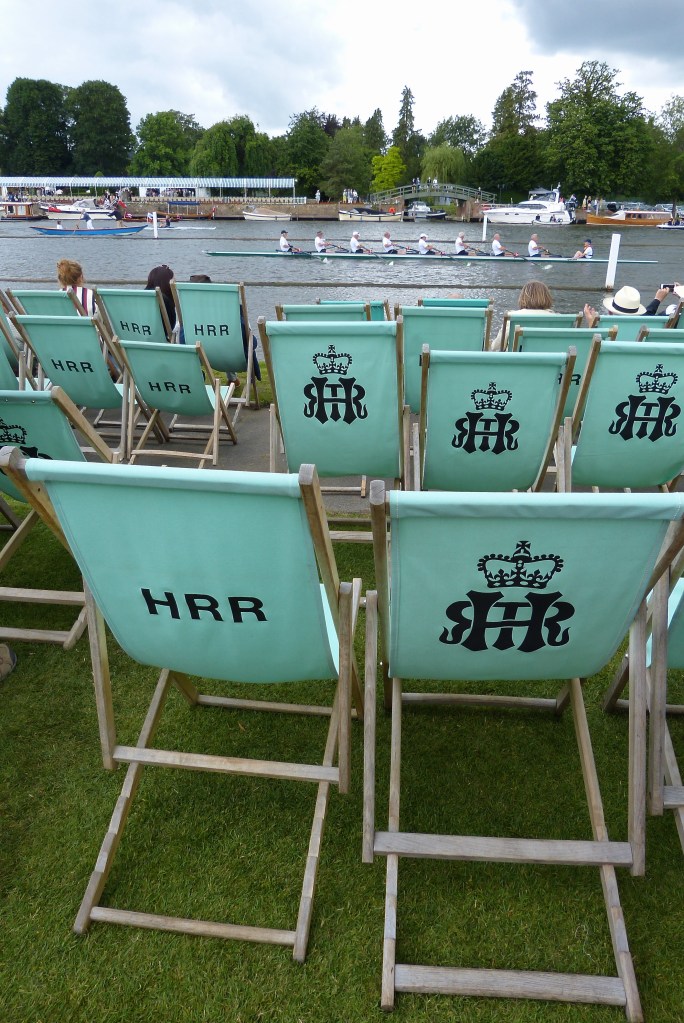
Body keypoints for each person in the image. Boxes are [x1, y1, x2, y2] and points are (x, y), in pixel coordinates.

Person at [491, 280, 555, 351]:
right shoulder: (557, 318)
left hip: (516, 357)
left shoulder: (513, 316)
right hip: (548, 357)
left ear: (523, 297)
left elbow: (497, 346)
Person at [583, 284, 680, 325]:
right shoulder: (651, 323)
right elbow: (647, 315)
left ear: (610, 311)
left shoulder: (606, 329)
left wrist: (592, 324)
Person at [145, 264, 176, 336]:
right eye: (173, 282)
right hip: (161, 339)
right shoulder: (166, 302)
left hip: (136, 338)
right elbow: (171, 326)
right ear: (167, 285)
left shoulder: (139, 299)